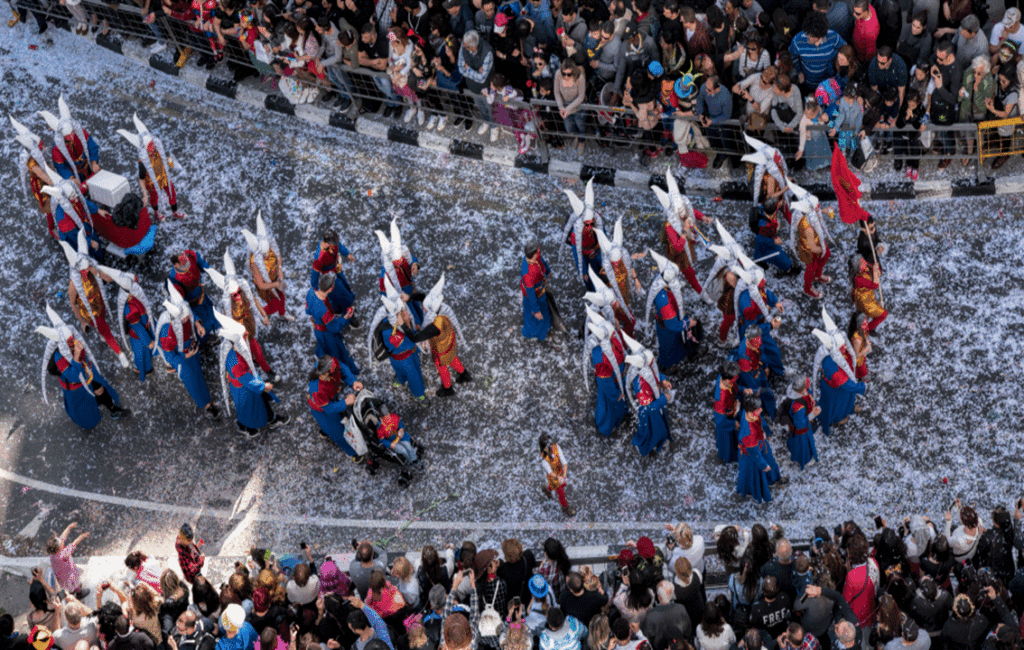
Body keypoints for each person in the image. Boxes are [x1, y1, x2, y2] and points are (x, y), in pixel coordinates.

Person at [37, 305, 128, 430]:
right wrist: (76, 355)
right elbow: (73, 376)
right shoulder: (58, 358)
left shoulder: (74, 340)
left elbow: (85, 356)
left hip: (88, 373)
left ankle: (113, 410)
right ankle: (95, 414)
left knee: (101, 389)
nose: (73, 341)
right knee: (86, 410)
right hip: (78, 387)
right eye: (69, 341)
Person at [60, 233, 128, 369]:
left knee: (103, 325)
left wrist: (100, 273)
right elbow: (73, 303)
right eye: (83, 271)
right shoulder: (73, 284)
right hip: (90, 313)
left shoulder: (91, 268)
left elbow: (108, 278)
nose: (86, 272)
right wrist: (82, 321)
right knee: (105, 330)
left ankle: (103, 334)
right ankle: (119, 352)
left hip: (100, 303)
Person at [157, 280, 222, 420]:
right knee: (192, 381)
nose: (187, 320)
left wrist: (198, 324)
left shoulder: (183, 310)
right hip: (183, 359)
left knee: (198, 373)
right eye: (184, 319)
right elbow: (170, 358)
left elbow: (192, 315)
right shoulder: (167, 332)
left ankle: (206, 398)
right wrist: (186, 356)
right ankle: (206, 405)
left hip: (192, 349)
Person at [216, 312, 289, 437]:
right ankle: (247, 425)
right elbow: (245, 378)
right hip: (244, 388)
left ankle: (268, 419)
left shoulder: (231, 347)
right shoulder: (234, 361)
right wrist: (261, 386)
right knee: (248, 407)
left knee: (253, 404)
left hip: (245, 384)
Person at [116, 114, 184, 221]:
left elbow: (165, 160)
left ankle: (175, 212)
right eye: (150, 148)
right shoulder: (142, 162)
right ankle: (157, 212)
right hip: (152, 183)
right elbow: (141, 179)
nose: (153, 149)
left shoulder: (158, 149)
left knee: (172, 193)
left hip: (164, 177)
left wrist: (173, 163)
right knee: (154, 199)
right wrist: (145, 194)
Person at [811, 310, 865, 437]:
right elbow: (843, 382)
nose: (845, 348)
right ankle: (836, 419)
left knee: (847, 400)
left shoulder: (841, 352)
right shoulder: (829, 363)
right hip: (834, 390)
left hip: (844, 386)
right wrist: (860, 387)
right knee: (835, 407)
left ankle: (849, 409)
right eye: (842, 348)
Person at [98, 266, 155, 383]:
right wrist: (148, 340)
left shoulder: (132, 297)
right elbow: (136, 326)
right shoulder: (130, 307)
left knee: (144, 354)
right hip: (140, 337)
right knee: (140, 355)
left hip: (143, 332)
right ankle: (141, 370)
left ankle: (146, 368)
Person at [623, 336, 672, 457]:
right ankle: (648, 445)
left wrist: (663, 380)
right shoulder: (639, 385)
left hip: (654, 403)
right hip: (650, 411)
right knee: (652, 430)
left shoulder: (645, 368)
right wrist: (663, 399)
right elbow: (648, 407)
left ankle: (658, 441)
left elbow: (655, 374)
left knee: (655, 429)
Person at [306, 273, 360, 380]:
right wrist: (346, 317)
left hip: (318, 329)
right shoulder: (325, 310)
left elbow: (308, 310)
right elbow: (334, 327)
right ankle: (344, 374)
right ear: (331, 288)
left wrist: (314, 321)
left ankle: (322, 354)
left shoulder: (311, 292)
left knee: (323, 346)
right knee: (338, 354)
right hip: (328, 334)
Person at [307, 356, 363, 459]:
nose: (322, 376)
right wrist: (345, 402)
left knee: (338, 421)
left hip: (331, 398)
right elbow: (329, 409)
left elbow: (343, 369)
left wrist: (353, 381)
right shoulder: (316, 390)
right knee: (339, 433)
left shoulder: (333, 363)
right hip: (322, 410)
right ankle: (352, 453)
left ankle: (325, 431)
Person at [585, 309, 628, 437]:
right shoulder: (599, 356)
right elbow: (604, 382)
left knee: (619, 406)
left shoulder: (611, 337)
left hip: (619, 379)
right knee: (610, 409)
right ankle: (607, 427)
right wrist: (615, 395)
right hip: (612, 387)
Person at [38, 95, 100, 183]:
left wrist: (94, 163)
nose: (71, 137)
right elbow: (60, 167)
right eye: (68, 136)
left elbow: (91, 146)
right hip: (73, 173)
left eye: (72, 134)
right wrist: (71, 178)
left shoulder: (80, 133)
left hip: (88, 166)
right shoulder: (57, 148)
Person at [243, 212, 293, 322]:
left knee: (282, 297)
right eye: (263, 254)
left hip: (274, 277)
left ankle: (282, 313)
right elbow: (261, 285)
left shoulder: (270, 244)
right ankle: (261, 314)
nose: (266, 256)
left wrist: (279, 269)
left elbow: (278, 254)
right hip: (265, 286)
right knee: (275, 304)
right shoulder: (254, 263)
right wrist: (275, 284)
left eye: (268, 252)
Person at [736, 395, 784, 504]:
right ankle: (753, 492)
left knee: (770, 462)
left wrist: (766, 431)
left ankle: (772, 480)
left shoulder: (748, 413)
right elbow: (754, 453)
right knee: (754, 475)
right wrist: (763, 464)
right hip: (752, 456)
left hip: (761, 446)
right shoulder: (747, 433)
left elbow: (760, 420)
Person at [168, 250, 219, 342]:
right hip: (192, 307)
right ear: (177, 265)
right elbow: (182, 303)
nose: (189, 267)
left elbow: (200, 263)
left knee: (212, 313)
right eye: (185, 267)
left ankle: (216, 329)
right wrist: (196, 321)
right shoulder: (174, 279)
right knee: (203, 326)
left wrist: (210, 271)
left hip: (202, 297)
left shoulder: (189, 256)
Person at [788, 14, 846, 92]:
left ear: (821, 35)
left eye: (812, 36)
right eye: (808, 34)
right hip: (807, 83)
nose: (809, 38)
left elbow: (845, 48)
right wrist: (799, 71)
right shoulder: (797, 40)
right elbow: (793, 56)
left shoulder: (833, 37)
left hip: (826, 83)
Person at [789, 191, 831, 299]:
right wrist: (823, 249)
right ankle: (807, 288)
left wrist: (823, 211)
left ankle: (817, 276)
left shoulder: (806, 212)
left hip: (815, 242)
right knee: (811, 267)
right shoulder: (808, 228)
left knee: (824, 257)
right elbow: (813, 248)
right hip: (809, 250)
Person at [310, 230, 358, 321]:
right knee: (343, 295)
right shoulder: (319, 257)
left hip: (336, 270)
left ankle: (336, 308)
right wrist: (316, 290)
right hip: (330, 278)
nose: (336, 245)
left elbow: (339, 246)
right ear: (327, 243)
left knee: (344, 286)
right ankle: (347, 314)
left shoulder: (332, 242)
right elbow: (314, 274)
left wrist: (347, 254)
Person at [521, 240, 557, 341]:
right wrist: (536, 310)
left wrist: (548, 271)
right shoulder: (527, 274)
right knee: (537, 316)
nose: (539, 251)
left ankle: (546, 328)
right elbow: (530, 293)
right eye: (537, 251)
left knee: (545, 310)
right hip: (535, 295)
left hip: (541, 289)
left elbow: (542, 262)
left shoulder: (536, 258)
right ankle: (539, 333)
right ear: (533, 254)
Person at [782, 376, 819, 469]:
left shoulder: (794, 388)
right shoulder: (798, 407)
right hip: (800, 432)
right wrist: (812, 415)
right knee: (803, 446)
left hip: (795, 424)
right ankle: (805, 460)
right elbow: (800, 425)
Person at [47, 523, 90, 601]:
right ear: (58, 548)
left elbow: (62, 538)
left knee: (66, 586)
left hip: (61, 577)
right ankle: (78, 593)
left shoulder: (52, 555)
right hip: (70, 576)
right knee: (74, 585)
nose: (61, 541)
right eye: (60, 543)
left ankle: (67, 593)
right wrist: (82, 536)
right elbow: (74, 543)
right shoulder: (64, 554)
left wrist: (69, 527)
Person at [753, 197, 795, 275]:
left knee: (761, 252)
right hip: (766, 242)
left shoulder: (764, 209)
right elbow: (761, 238)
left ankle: (759, 259)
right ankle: (788, 269)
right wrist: (774, 241)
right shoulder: (764, 225)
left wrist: (779, 204)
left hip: (766, 240)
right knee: (782, 259)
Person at [713, 361, 745, 464]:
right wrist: (733, 424)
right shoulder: (720, 401)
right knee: (728, 443)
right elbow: (720, 422)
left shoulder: (724, 379)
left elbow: (734, 387)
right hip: (727, 421)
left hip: (732, 411)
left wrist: (743, 390)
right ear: (726, 379)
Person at [539, 433, 576, 516]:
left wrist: (564, 475)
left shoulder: (556, 447)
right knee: (561, 493)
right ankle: (565, 508)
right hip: (554, 478)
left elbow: (564, 462)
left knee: (558, 487)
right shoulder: (543, 458)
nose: (552, 447)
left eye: (551, 444)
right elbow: (550, 472)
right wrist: (558, 478)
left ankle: (547, 489)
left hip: (560, 473)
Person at [850, 254, 887, 332]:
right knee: (883, 314)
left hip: (869, 296)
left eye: (863, 260)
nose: (865, 262)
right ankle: (869, 329)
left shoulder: (865, 266)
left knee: (872, 313)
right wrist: (874, 271)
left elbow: (877, 271)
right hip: (865, 301)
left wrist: (877, 271)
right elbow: (875, 285)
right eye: (862, 262)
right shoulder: (858, 279)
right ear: (858, 267)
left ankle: (868, 320)